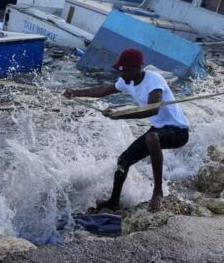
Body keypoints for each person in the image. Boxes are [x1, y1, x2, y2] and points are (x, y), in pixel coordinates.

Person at [63, 48, 189, 212]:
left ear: (138, 68)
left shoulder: (154, 80)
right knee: (123, 160)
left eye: (126, 70)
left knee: (151, 138)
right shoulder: (126, 81)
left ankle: (158, 192)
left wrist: (120, 115)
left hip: (178, 131)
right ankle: (114, 201)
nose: (122, 74)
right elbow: (103, 91)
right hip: (159, 129)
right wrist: (76, 93)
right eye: (121, 71)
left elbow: (153, 109)